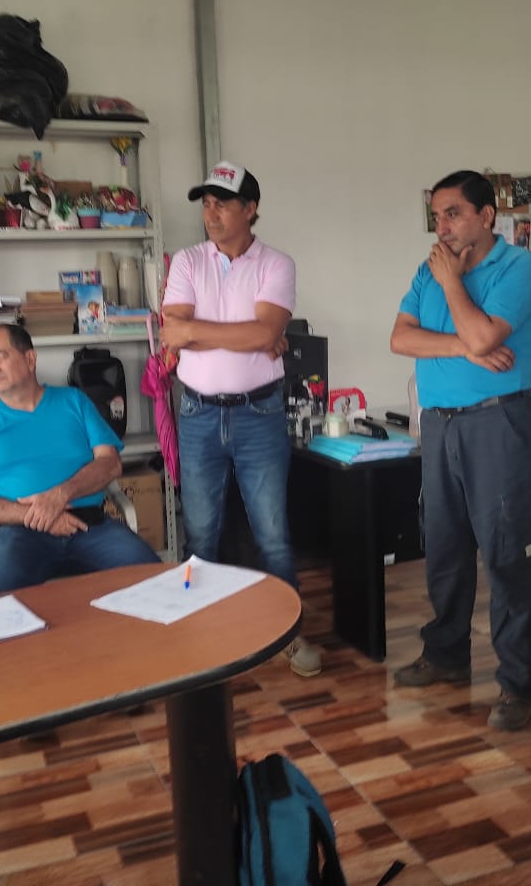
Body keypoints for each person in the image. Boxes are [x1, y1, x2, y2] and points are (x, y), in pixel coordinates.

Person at [389, 169, 531, 731]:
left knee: (508, 553)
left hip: (497, 422)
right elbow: (400, 338)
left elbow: (487, 337)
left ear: (487, 216)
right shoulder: (427, 270)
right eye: (437, 216)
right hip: (439, 423)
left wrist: (453, 283)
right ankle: (447, 652)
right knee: (444, 545)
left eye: (453, 213)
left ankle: (519, 683)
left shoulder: (518, 267)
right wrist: (463, 347)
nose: (443, 227)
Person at [160, 161, 321, 677]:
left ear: (250, 209)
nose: (211, 214)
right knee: (200, 533)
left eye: (222, 204)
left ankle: (287, 634)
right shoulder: (187, 261)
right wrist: (249, 335)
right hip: (198, 412)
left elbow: (261, 334)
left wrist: (204, 333)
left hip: (259, 412)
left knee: (272, 531)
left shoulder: (277, 264)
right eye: (206, 205)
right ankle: (196, 634)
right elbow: (172, 333)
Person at [0, 324, 158, 594]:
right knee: (5, 584)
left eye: (0, 356)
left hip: (88, 526)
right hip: (17, 533)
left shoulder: (75, 402)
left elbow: (110, 463)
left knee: (150, 574)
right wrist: (35, 515)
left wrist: (60, 494)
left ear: (30, 359)